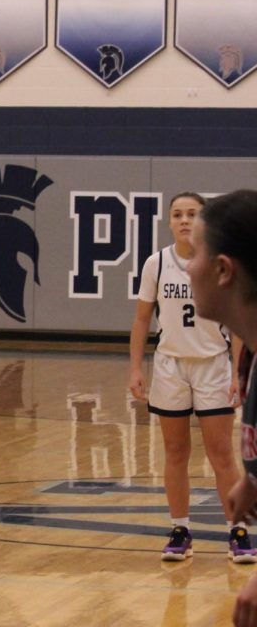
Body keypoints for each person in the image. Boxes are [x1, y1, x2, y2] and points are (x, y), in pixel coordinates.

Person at [128, 191, 253, 564]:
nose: (184, 220)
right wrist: (135, 367)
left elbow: (236, 323)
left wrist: (237, 372)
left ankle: (239, 530)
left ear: (203, 222)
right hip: (170, 366)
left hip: (213, 365)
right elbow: (141, 320)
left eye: (191, 214)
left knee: (221, 453)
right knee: (174, 451)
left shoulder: (217, 263)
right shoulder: (157, 263)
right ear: (168, 221)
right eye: (177, 214)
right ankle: (180, 528)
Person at [177, 190, 257, 627]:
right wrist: (254, 480)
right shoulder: (248, 355)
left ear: (224, 270)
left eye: (199, 254)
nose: (188, 266)